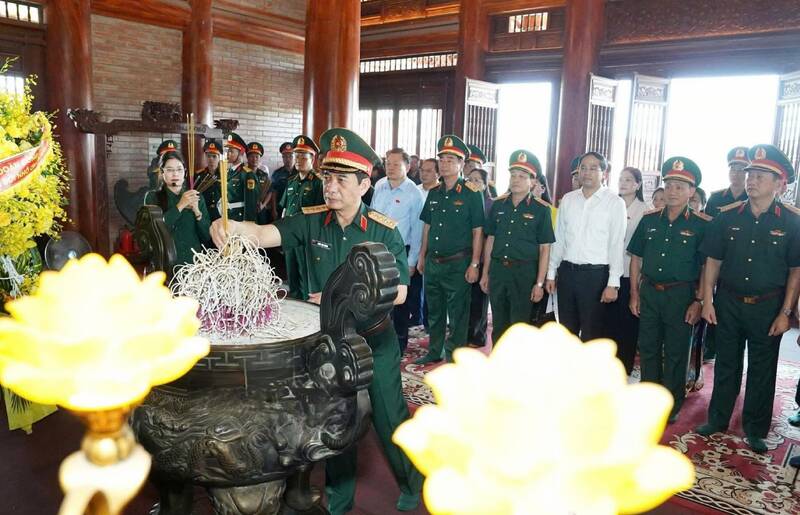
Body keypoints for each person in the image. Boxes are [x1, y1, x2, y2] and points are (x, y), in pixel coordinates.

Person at [209, 128, 422, 515]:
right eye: (327, 177)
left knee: (390, 419)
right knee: (337, 421)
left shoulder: (381, 230)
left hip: (373, 341)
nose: (331, 187)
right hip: (329, 342)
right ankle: (339, 499)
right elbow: (262, 233)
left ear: (363, 184)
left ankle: (411, 480)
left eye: (341, 179)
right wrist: (232, 229)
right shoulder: (310, 222)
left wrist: (339, 295)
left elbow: (402, 292)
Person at [696, 144, 800, 453]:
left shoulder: (793, 222)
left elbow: (796, 271)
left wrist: (786, 312)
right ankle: (717, 419)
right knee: (726, 363)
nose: (751, 180)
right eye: (750, 173)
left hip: (768, 306)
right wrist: (707, 301)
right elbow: (712, 261)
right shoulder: (726, 217)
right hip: (728, 302)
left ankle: (755, 428)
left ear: (779, 184)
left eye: (760, 175)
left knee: (762, 368)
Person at [628, 157, 709, 423]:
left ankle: (672, 404)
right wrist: (634, 294)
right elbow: (636, 258)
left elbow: (707, 267)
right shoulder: (650, 219)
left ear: (691, 191)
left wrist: (699, 301)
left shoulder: (701, 225)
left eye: (679, 186)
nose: (672, 191)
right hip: (649, 292)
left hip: (681, 295)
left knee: (676, 352)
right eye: (669, 185)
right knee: (649, 348)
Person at [415, 135, 485, 364]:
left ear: (461, 164)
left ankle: (455, 355)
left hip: (459, 263)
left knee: (458, 315)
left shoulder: (471, 193)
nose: (444, 164)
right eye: (442, 159)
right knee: (434, 311)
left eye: (450, 160)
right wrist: (422, 256)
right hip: (434, 262)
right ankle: (435, 351)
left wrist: (475, 264)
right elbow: (427, 226)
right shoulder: (434, 193)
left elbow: (478, 231)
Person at [546, 151, 626, 341]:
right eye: (583, 168)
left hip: (595, 276)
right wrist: (551, 273)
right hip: (567, 273)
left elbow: (616, 244)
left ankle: (588, 371)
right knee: (566, 331)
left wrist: (613, 283)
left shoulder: (615, 203)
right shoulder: (568, 199)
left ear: (604, 174)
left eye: (593, 168)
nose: (587, 172)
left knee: (592, 332)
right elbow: (559, 239)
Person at [480, 150, 554, 345]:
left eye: (522, 176)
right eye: (513, 175)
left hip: (524, 273)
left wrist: (539, 283)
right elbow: (490, 240)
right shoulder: (498, 205)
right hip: (498, 271)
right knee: (498, 324)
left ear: (533, 181)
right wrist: (485, 273)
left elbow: (545, 248)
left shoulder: (541, 209)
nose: (516, 180)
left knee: (519, 326)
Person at [370, 147, 425, 353]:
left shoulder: (414, 193)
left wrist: (411, 261)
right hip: (377, 251)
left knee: (401, 302)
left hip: (401, 251)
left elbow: (417, 230)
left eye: (396, 164)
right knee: (378, 299)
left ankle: (400, 344)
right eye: (388, 164)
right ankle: (378, 341)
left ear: (408, 167)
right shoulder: (380, 185)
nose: (390, 168)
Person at [701, 146, 749, 363]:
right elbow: (709, 231)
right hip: (718, 258)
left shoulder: (754, 196)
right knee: (714, 301)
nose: (737, 173)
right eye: (733, 168)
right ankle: (710, 344)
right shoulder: (716, 198)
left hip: (740, 262)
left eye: (742, 169)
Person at [144, 140, 210, 268]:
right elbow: (154, 232)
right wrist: (180, 206)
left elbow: (206, 236)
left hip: (194, 264)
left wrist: (197, 213)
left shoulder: (196, 197)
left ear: (185, 172)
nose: (175, 174)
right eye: (170, 170)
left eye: (179, 169)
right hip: (166, 264)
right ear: (162, 173)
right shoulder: (153, 197)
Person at [608, 166, 649, 374]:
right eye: (621, 179)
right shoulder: (609, 205)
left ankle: (624, 365)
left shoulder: (645, 210)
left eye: (628, 180)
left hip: (630, 273)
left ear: (638, 185)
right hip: (607, 272)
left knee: (627, 323)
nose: (623, 183)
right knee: (608, 322)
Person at [280, 135, 324, 299]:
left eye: (302, 156)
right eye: (295, 156)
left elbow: (321, 215)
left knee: (306, 277)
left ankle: (307, 310)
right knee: (291, 275)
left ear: (312, 159)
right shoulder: (291, 182)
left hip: (307, 238)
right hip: (291, 237)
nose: (298, 160)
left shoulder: (318, 183)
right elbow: (285, 210)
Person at [465, 167, 493, 348]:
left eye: (477, 180)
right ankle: (464, 332)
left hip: (482, 257)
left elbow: (487, 234)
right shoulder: (464, 201)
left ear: (484, 185)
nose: (472, 183)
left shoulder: (490, 204)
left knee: (479, 300)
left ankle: (478, 336)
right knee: (465, 299)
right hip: (464, 255)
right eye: (469, 179)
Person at [413, 158, 440, 328]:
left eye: (429, 171)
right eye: (422, 170)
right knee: (416, 286)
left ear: (438, 173)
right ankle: (417, 317)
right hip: (415, 242)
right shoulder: (414, 191)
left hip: (434, 245)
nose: (424, 173)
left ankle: (430, 321)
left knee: (431, 288)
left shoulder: (440, 193)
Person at [704, 146, 749, 217]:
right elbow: (706, 224)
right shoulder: (715, 197)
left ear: (748, 173)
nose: (735, 173)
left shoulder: (751, 198)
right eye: (732, 169)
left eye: (740, 169)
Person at [222, 132, 250, 221]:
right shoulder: (229, 172)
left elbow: (251, 202)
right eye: (227, 151)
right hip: (228, 215)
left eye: (231, 151)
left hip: (239, 218)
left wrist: (249, 222)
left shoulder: (247, 174)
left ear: (240, 153)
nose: (228, 154)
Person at [244, 141, 274, 225]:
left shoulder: (264, 175)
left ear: (260, 158)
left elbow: (270, 192)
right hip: (246, 210)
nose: (254, 159)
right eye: (251, 156)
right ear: (247, 158)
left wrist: (263, 205)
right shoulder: (243, 174)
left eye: (257, 156)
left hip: (260, 211)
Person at [194, 139, 223, 221]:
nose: (211, 159)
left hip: (220, 214)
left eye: (214, 156)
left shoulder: (225, 175)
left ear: (219, 157)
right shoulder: (199, 175)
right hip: (204, 212)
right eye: (208, 156)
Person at [270, 142, 294, 221]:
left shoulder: (299, 173)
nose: (288, 159)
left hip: (294, 209)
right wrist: (274, 210)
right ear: (282, 158)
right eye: (285, 157)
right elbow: (273, 192)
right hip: (279, 208)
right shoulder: (277, 173)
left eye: (290, 156)